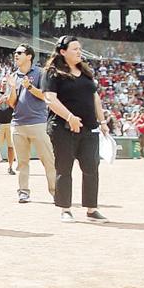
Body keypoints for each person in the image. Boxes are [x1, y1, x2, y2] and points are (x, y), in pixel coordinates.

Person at [42, 36, 110, 223]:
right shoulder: (52, 72)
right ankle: (65, 208)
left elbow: (95, 97)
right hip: (62, 128)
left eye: (80, 49)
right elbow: (50, 99)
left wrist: (102, 122)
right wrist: (70, 117)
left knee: (91, 168)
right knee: (64, 169)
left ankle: (91, 209)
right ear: (63, 52)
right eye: (74, 49)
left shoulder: (85, 72)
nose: (79, 52)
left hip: (88, 128)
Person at [7, 44, 58, 203]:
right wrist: (13, 88)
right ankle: (23, 192)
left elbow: (45, 96)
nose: (16, 55)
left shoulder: (41, 73)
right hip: (18, 123)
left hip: (38, 122)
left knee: (48, 160)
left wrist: (29, 86)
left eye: (20, 53)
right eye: (15, 53)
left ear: (29, 56)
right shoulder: (13, 76)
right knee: (21, 162)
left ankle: (56, 191)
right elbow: (11, 103)